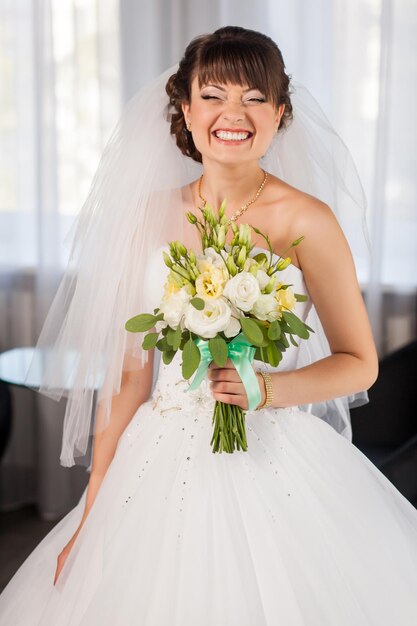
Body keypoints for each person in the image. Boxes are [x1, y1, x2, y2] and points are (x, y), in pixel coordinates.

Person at [1, 25, 417, 625]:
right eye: (215, 93)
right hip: (156, 457)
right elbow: (127, 379)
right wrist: (91, 519)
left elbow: (361, 361)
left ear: (279, 113)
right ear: (187, 108)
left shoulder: (309, 220)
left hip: (276, 453)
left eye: (253, 97)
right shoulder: (149, 216)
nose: (234, 113)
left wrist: (265, 390)